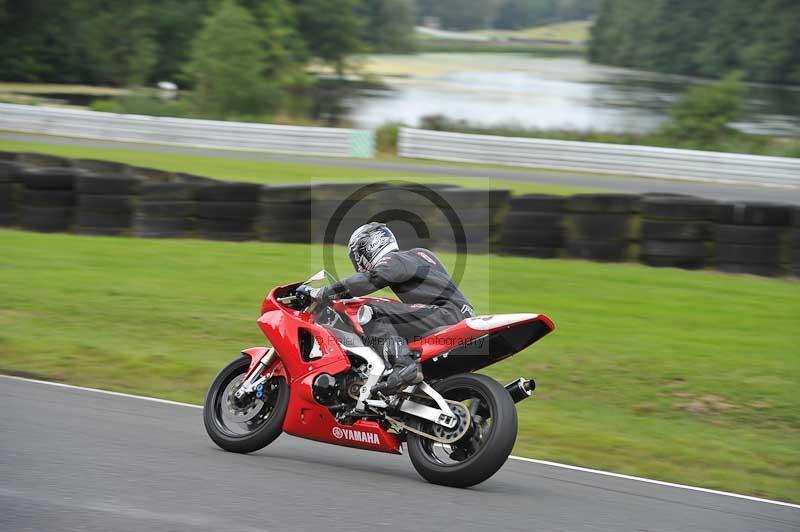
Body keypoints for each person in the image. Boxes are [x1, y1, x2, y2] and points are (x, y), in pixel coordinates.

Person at [300, 222, 474, 394]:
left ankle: (404, 365)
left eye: (357, 256)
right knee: (393, 317)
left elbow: (370, 279)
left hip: (445, 314)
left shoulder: (395, 260)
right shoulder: (421, 254)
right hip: (457, 314)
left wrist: (323, 292)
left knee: (369, 312)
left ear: (369, 247)